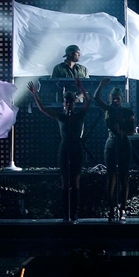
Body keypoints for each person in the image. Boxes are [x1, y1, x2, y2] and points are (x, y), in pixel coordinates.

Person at [28, 77, 89, 222]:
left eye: (70, 102)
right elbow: (43, 109)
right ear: (64, 104)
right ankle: (65, 214)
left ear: (74, 104)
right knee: (65, 181)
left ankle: (74, 214)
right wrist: (35, 94)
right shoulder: (61, 117)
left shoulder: (79, 116)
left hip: (76, 148)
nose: (68, 104)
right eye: (66, 102)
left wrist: (81, 87)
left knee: (75, 181)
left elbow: (88, 101)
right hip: (65, 148)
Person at [94, 78, 135, 221]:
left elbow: (132, 131)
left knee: (124, 177)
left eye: (117, 99)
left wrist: (122, 131)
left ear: (121, 99)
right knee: (111, 177)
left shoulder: (128, 112)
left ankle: (122, 209)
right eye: (113, 99)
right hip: (111, 143)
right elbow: (96, 98)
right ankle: (111, 209)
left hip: (124, 143)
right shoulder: (108, 109)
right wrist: (101, 85)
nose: (115, 101)